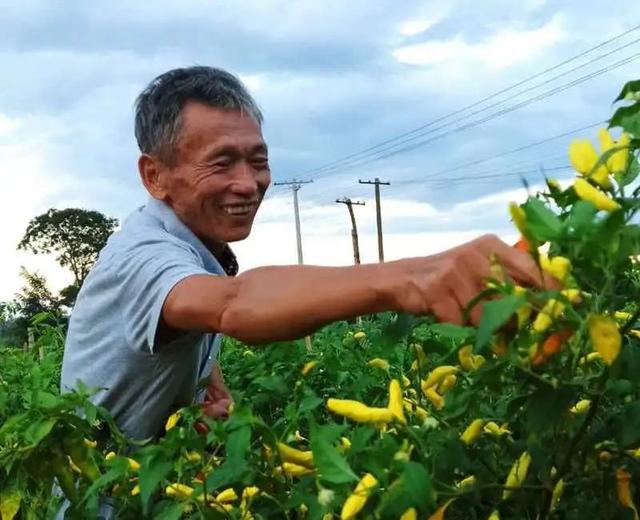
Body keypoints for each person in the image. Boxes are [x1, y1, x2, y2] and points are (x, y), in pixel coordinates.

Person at [60, 66, 547, 441]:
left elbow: (198, 315)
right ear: (155, 176)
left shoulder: (193, 248)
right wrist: (416, 278)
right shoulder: (142, 253)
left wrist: (206, 386)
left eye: (258, 160)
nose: (248, 183)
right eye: (221, 162)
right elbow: (232, 305)